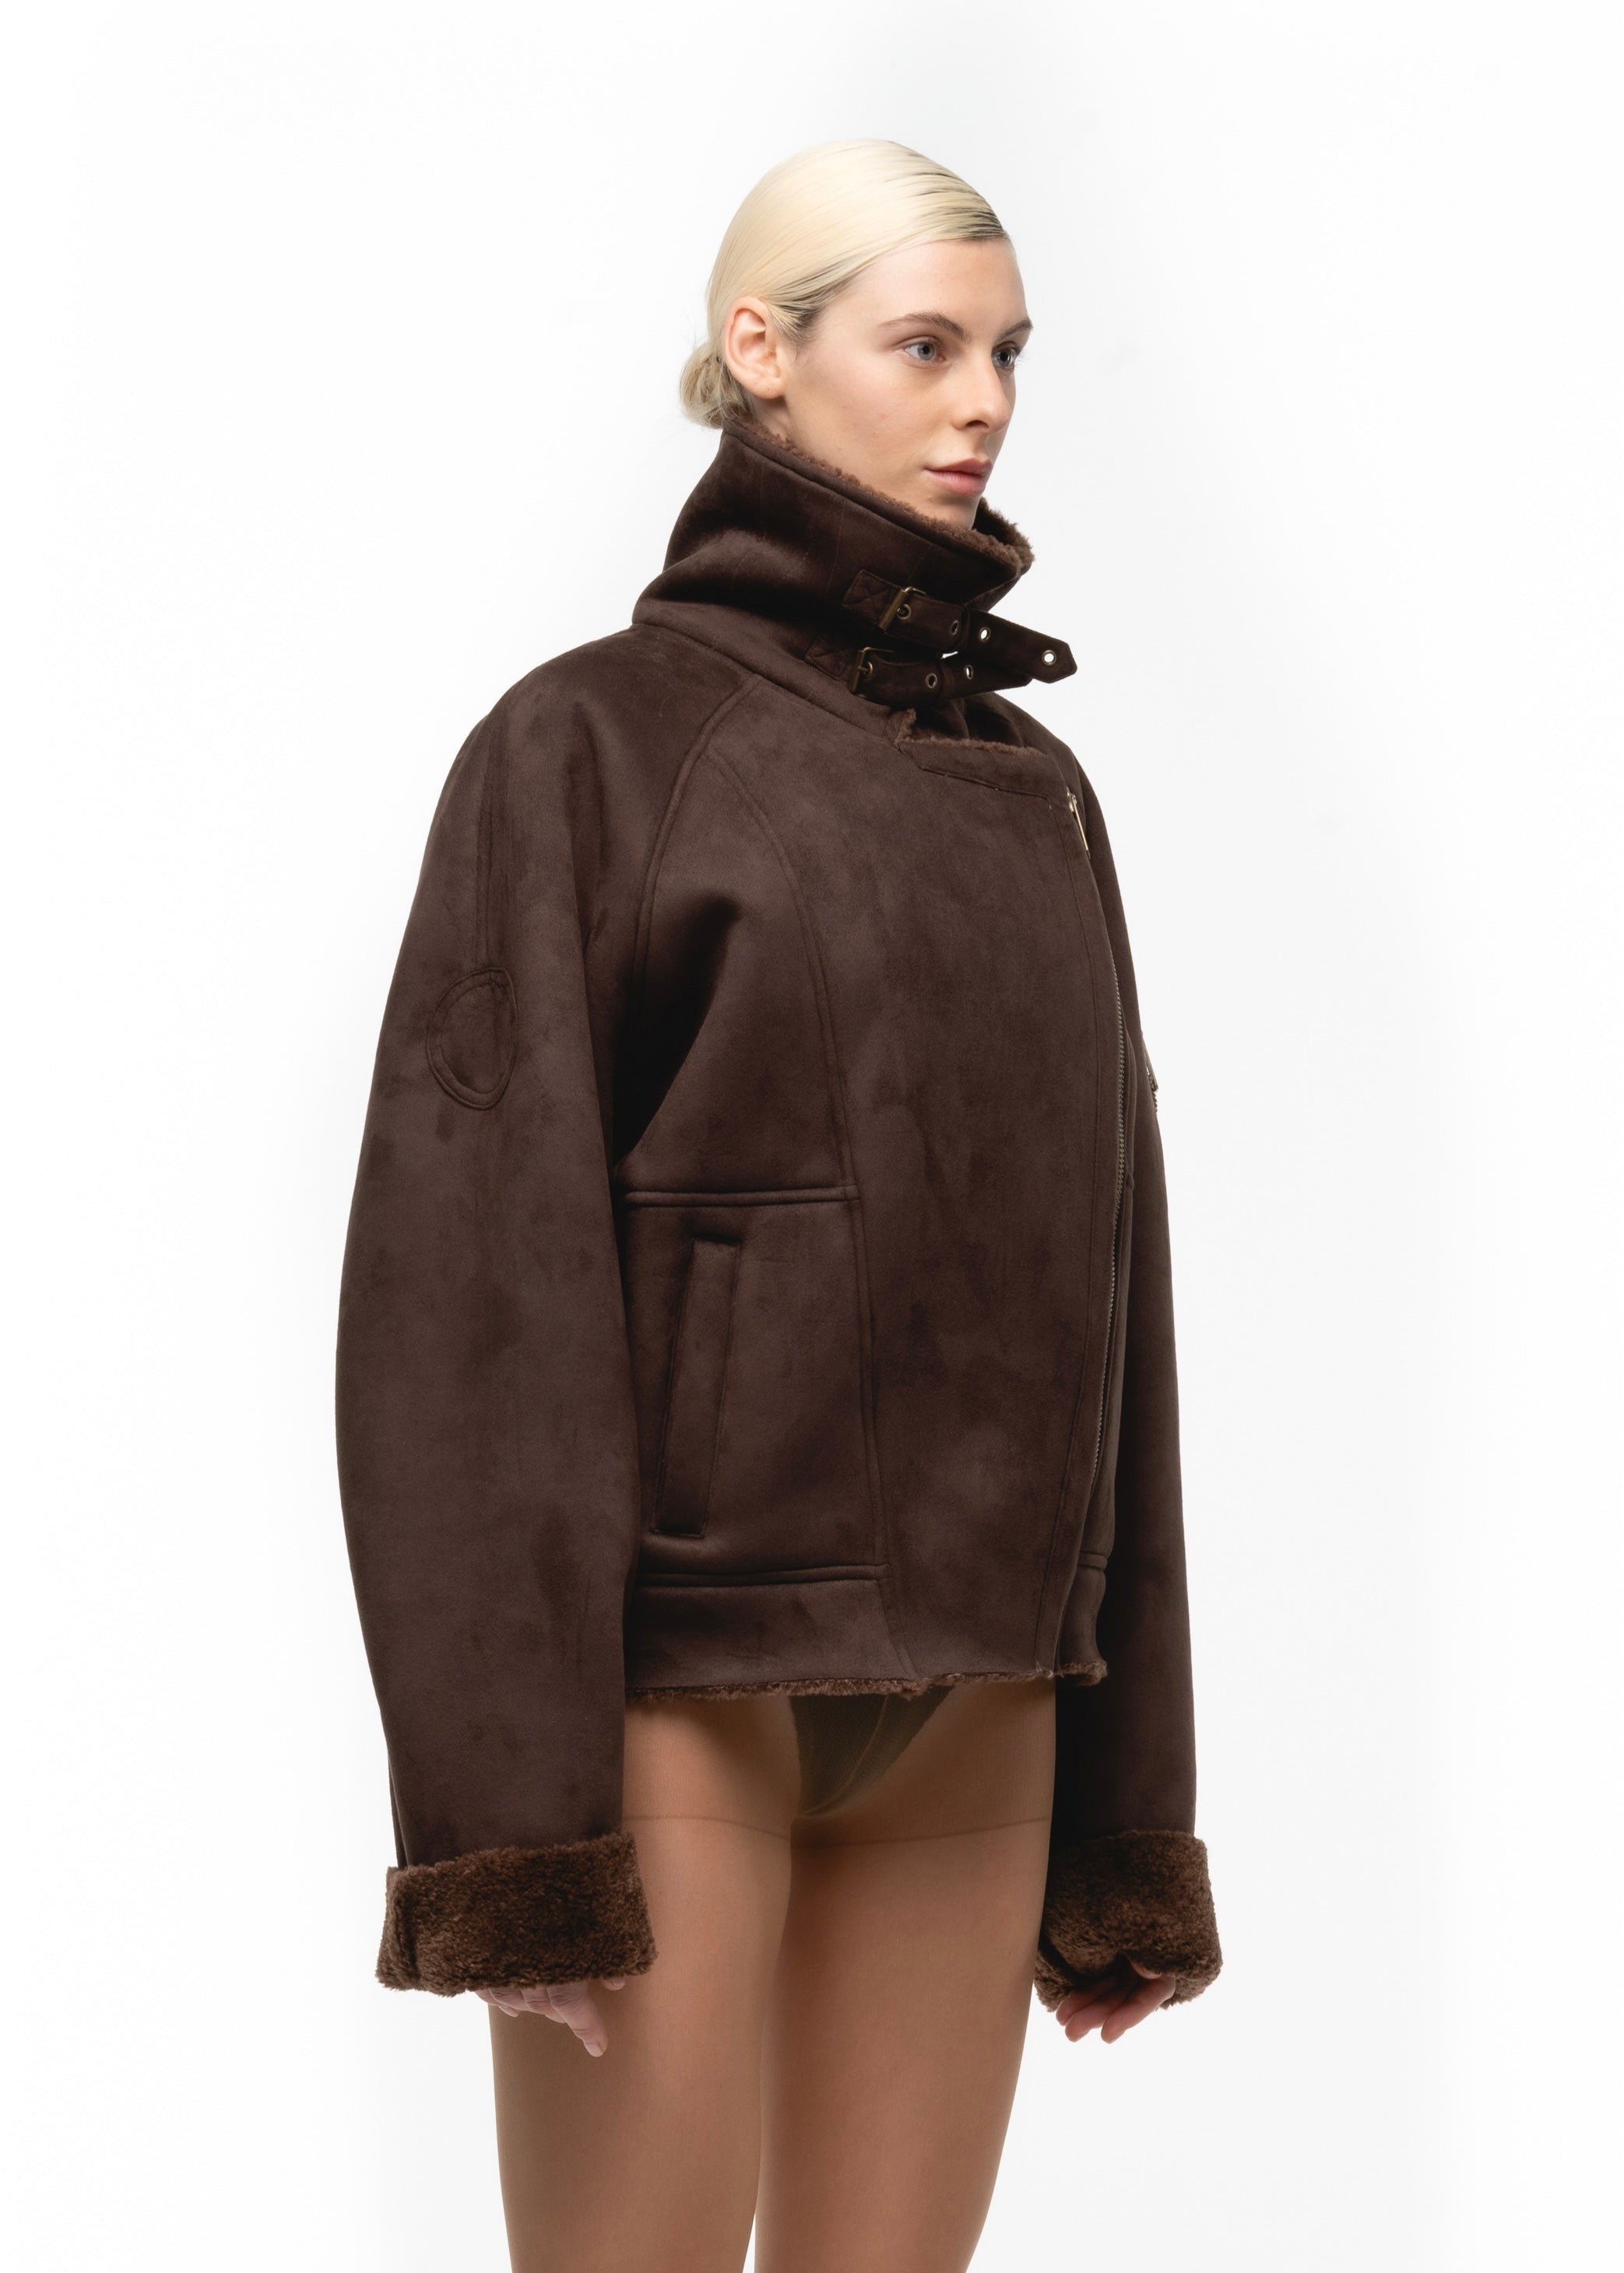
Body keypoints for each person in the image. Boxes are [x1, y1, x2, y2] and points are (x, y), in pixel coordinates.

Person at [335, 138, 1222, 2273]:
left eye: (1006, 352)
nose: (982, 402)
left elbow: (1116, 1306)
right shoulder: (588, 749)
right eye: (923, 345)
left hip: (983, 1709)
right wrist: (512, 1833)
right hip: (683, 1693)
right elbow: (467, 1303)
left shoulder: (1038, 793)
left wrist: (1130, 1818)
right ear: (762, 349)